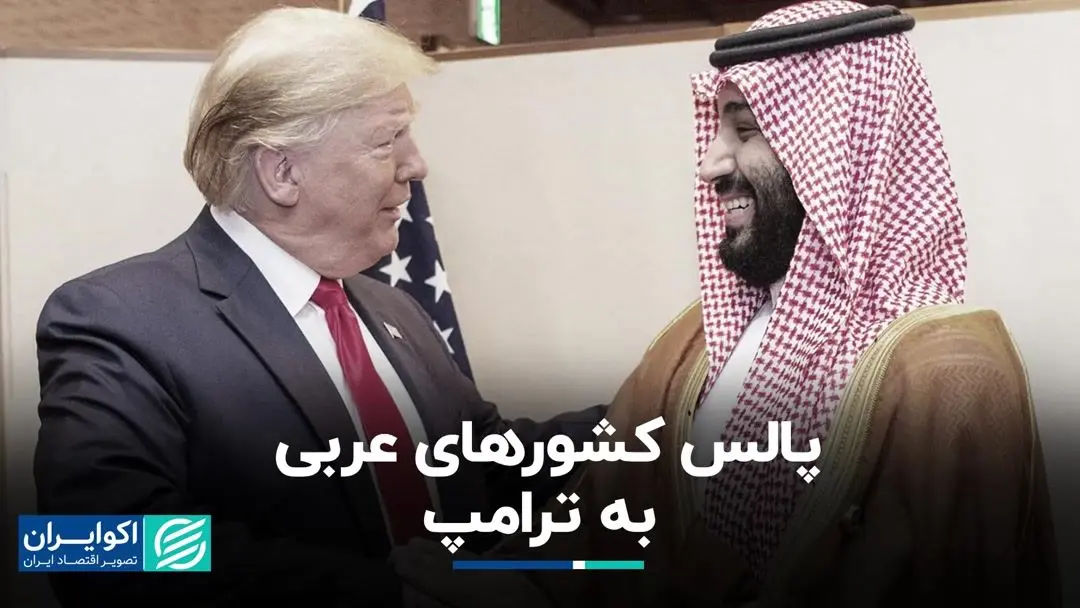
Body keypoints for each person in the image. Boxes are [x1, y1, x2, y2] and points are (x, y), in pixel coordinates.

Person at [390, 2, 1061, 607]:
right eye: (718, 131)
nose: (711, 164)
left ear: (837, 149)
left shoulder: (950, 376)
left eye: (745, 130)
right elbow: (600, 528)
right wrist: (485, 580)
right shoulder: (696, 341)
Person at [32, 7, 604, 608]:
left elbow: (489, 468)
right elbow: (95, 544)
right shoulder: (120, 320)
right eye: (386, 140)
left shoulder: (393, 310)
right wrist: (395, 593)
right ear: (281, 171)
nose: (416, 164)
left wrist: (658, 406)